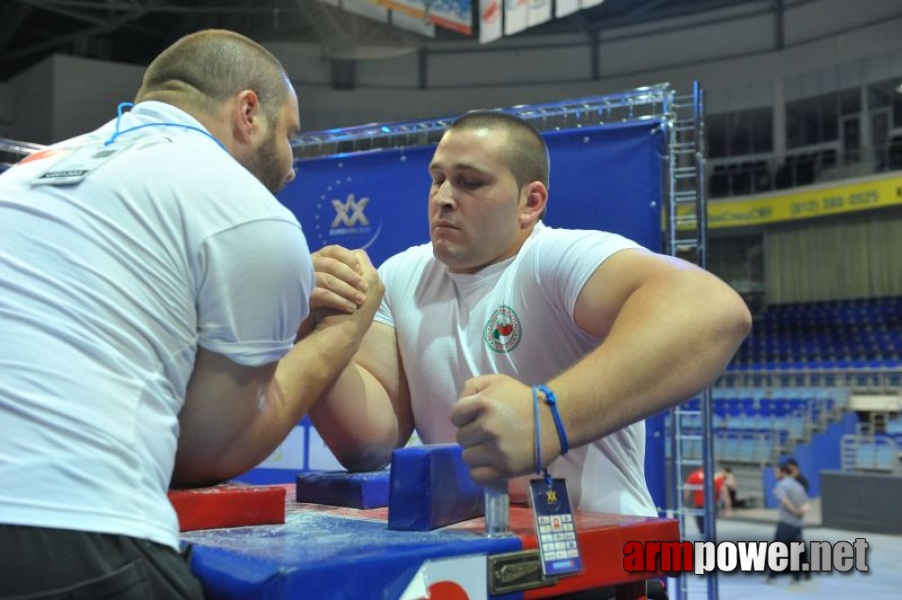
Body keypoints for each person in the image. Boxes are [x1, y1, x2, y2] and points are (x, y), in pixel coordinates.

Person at [0, 30, 381, 598]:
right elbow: (207, 454)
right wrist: (343, 331)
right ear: (248, 111)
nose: (294, 166)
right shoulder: (249, 211)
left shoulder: (22, 177)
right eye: (290, 135)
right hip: (73, 527)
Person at [306, 110, 752, 521]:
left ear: (530, 202)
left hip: (598, 559)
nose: (442, 197)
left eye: (470, 182)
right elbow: (370, 445)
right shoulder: (401, 275)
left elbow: (715, 310)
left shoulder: (554, 258)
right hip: (475, 549)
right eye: (437, 178)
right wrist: (316, 329)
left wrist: (546, 418)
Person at [765, 464, 809, 585]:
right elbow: (806, 504)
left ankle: (771, 577)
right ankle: (797, 578)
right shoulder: (798, 485)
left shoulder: (782, 485)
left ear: (783, 473)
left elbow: (784, 500)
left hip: (786, 523)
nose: (775, 474)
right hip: (798, 524)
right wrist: (800, 512)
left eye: (777, 472)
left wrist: (794, 510)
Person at [683, 467, 733, 536]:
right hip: (710, 505)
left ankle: (705, 537)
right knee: (708, 527)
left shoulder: (694, 476)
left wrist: (683, 503)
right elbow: (725, 494)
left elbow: (687, 491)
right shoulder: (717, 478)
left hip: (702, 506)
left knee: (703, 528)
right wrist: (728, 508)